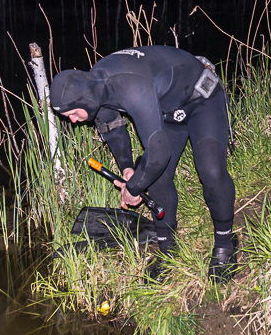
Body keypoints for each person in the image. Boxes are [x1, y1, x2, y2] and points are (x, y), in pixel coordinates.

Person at [49, 46, 238, 282]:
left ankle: (225, 245)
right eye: (68, 117)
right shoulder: (96, 88)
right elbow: (114, 129)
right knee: (155, 177)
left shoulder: (130, 87)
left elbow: (159, 153)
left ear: (83, 100)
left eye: (73, 114)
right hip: (168, 109)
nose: (74, 121)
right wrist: (128, 169)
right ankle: (168, 252)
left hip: (201, 97)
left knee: (210, 170)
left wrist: (134, 188)